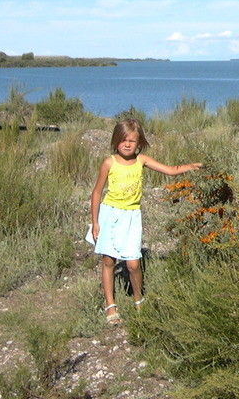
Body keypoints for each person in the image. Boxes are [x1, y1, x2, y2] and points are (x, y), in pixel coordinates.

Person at [90, 118, 202, 325]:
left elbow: (169, 170)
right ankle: (110, 305)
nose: (127, 144)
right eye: (123, 140)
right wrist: (95, 223)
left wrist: (190, 166)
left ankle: (138, 301)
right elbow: (96, 193)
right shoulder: (109, 162)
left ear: (139, 143)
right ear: (116, 140)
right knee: (108, 261)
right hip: (110, 215)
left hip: (132, 217)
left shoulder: (141, 161)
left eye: (132, 141)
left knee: (133, 264)